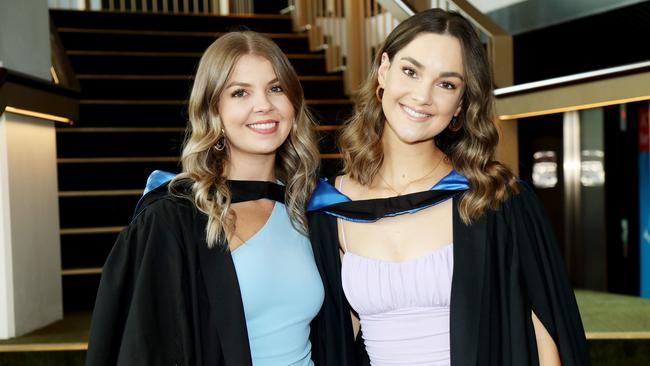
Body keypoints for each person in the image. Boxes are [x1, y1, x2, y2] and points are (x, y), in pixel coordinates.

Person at [307, 8, 590, 366]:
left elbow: (547, 340)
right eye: (410, 71)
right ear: (383, 71)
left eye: (446, 84)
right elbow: (337, 339)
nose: (423, 96)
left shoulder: (495, 200)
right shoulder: (331, 207)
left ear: (460, 105)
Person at [85, 31, 325, 365]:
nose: (264, 105)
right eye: (240, 92)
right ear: (214, 110)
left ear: (293, 103)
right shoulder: (174, 218)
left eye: (276, 88)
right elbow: (147, 348)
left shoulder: (309, 208)